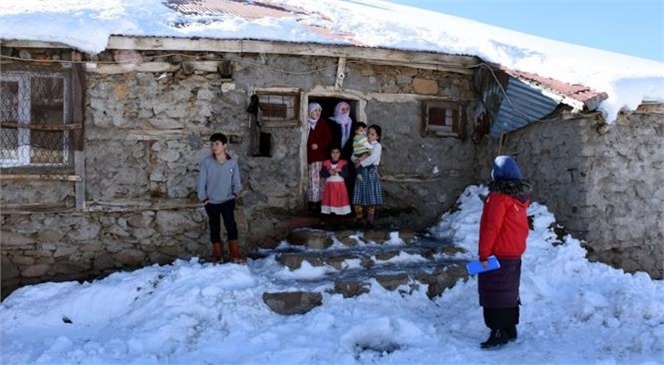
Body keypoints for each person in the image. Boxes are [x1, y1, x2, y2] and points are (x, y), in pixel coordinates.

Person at [477, 155, 531, 349]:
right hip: (514, 253)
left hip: (498, 253)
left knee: (494, 292)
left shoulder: (498, 198)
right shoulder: (517, 198)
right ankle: (509, 328)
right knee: (509, 292)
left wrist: (484, 255)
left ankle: (497, 331)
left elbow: (491, 228)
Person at [197, 133, 244, 264]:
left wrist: (235, 193)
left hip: (228, 201)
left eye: (217, 144)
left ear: (224, 146)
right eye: (212, 144)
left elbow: (237, 182)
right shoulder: (207, 162)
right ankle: (218, 256)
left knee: (231, 227)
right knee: (214, 228)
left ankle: (235, 255)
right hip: (211, 202)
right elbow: (201, 183)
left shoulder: (232, 162)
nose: (214, 147)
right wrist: (203, 198)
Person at [351, 124, 383, 228]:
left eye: (372, 134)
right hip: (360, 173)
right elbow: (354, 154)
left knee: (371, 198)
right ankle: (359, 218)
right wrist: (355, 160)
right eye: (368, 133)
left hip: (370, 174)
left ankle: (370, 220)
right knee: (358, 196)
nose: (369, 135)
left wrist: (361, 163)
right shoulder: (362, 142)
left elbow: (373, 158)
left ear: (377, 137)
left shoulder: (377, 146)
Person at [306, 102, 332, 212]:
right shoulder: (306, 124)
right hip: (310, 158)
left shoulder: (322, 123)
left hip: (321, 157)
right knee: (312, 181)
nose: (317, 113)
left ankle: (322, 202)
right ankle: (313, 202)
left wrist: (319, 145)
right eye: (315, 110)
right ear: (309, 111)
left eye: (319, 111)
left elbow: (328, 138)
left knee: (321, 180)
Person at [320, 145, 351, 222]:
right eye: (333, 152)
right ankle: (329, 216)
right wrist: (328, 172)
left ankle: (339, 218)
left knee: (339, 201)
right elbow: (322, 173)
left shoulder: (343, 163)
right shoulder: (326, 163)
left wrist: (340, 171)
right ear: (330, 154)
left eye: (337, 152)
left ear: (340, 154)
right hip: (329, 187)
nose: (335, 154)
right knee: (329, 200)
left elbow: (346, 174)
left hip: (340, 187)